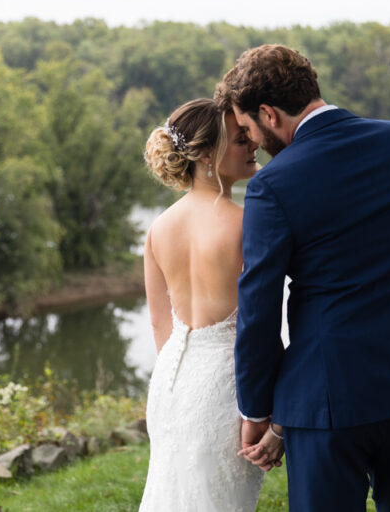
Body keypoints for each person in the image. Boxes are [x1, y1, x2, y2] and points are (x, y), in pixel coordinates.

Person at [215, 45, 390, 512]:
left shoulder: (274, 186)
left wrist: (256, 409)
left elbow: (259, 309)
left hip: (326, 402)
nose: (252, 141)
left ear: (269, 114)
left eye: (249, 128)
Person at [139, 98, 279, 511]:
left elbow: (161, 327)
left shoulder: (158, 228)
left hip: (171, 385)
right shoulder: (246, 222)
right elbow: (263, 322)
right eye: (241, 138)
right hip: (225, 388)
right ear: (204, 154)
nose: (254, 144)